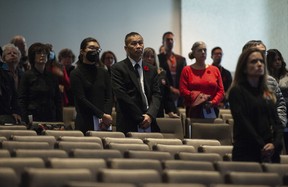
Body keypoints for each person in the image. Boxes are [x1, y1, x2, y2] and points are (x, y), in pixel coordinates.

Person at [228, 47, 283, 163]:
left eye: (261, 61)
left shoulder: (266, 92)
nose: (259, 64)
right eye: (254, 61)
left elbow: (277, 122)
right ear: (244, 68)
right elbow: (243, 122)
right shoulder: (237, 91)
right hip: (247, 151)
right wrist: (262, 145)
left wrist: (275, 144)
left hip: (270, 152)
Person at [111, 32, 162, 134]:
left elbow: (157, 95)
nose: (138, 46)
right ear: (126, 48)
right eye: (134, 44)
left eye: (140, 43)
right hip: (128, 120)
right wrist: (140, 118)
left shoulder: (151, 69)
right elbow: (121, 95)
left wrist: (150, 115)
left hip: (150, 119)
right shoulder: (118, 68)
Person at [70, 37, 113, 133]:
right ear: (82, 51)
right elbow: (81, 99)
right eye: (91, 48)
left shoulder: (104, 72)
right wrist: (101, 115)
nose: (95, 51)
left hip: (104, 123)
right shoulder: (75, 73)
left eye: (97, 49)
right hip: (85, 120)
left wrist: (106, 116)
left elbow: (109, 97)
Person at [242, 40, 287, 128]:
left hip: (272, 132)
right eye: (258, 52)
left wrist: (279, 125)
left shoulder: (271, 81)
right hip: (250, 134)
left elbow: (280, 105)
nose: (262, 57)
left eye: (264, 53)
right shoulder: (239, 85)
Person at [18, 42, 63, 125]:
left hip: (51, 117)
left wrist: (60, 121)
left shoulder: (53, 77)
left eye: (45, 53)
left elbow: (58, 101)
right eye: (38, 53)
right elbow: (22, 100)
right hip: (33, 117)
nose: (42, 55)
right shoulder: (27, 76)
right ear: (33, 56)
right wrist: (24, 120)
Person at [179, 41, 224, 118]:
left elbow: (221, 91)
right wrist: (199, 98)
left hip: (212, 109)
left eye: (205, 50)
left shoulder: (215, 70)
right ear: (194, 53)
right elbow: (183, 90)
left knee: (213, 130)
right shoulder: (187, 70)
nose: (203, 52)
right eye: (200, 50)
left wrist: (213, 102)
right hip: (193, 109)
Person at [143, 47, 179, 118]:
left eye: (152, 56)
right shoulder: (138, 73)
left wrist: (170, 111)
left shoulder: (162, 73)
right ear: (142, 58)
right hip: (143, 110)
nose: (149, 58)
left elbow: (167, 94)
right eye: (147, 56)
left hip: (158, 110)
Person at [266, 48, 288, 153]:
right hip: (273, 115)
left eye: (279, 59)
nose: (278, 62)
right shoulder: (266, 78)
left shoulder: (287, 76)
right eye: (275, 60)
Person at [158, 31, 187, 107]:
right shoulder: (158, 59)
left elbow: (185, 78)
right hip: (164, 94)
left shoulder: (181, 59)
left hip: (180, 94)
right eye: (167, 39)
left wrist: (180, 90)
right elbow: (157, 77)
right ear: (163, 42)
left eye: (171, 40)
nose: (170, 41)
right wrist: (170, 89)